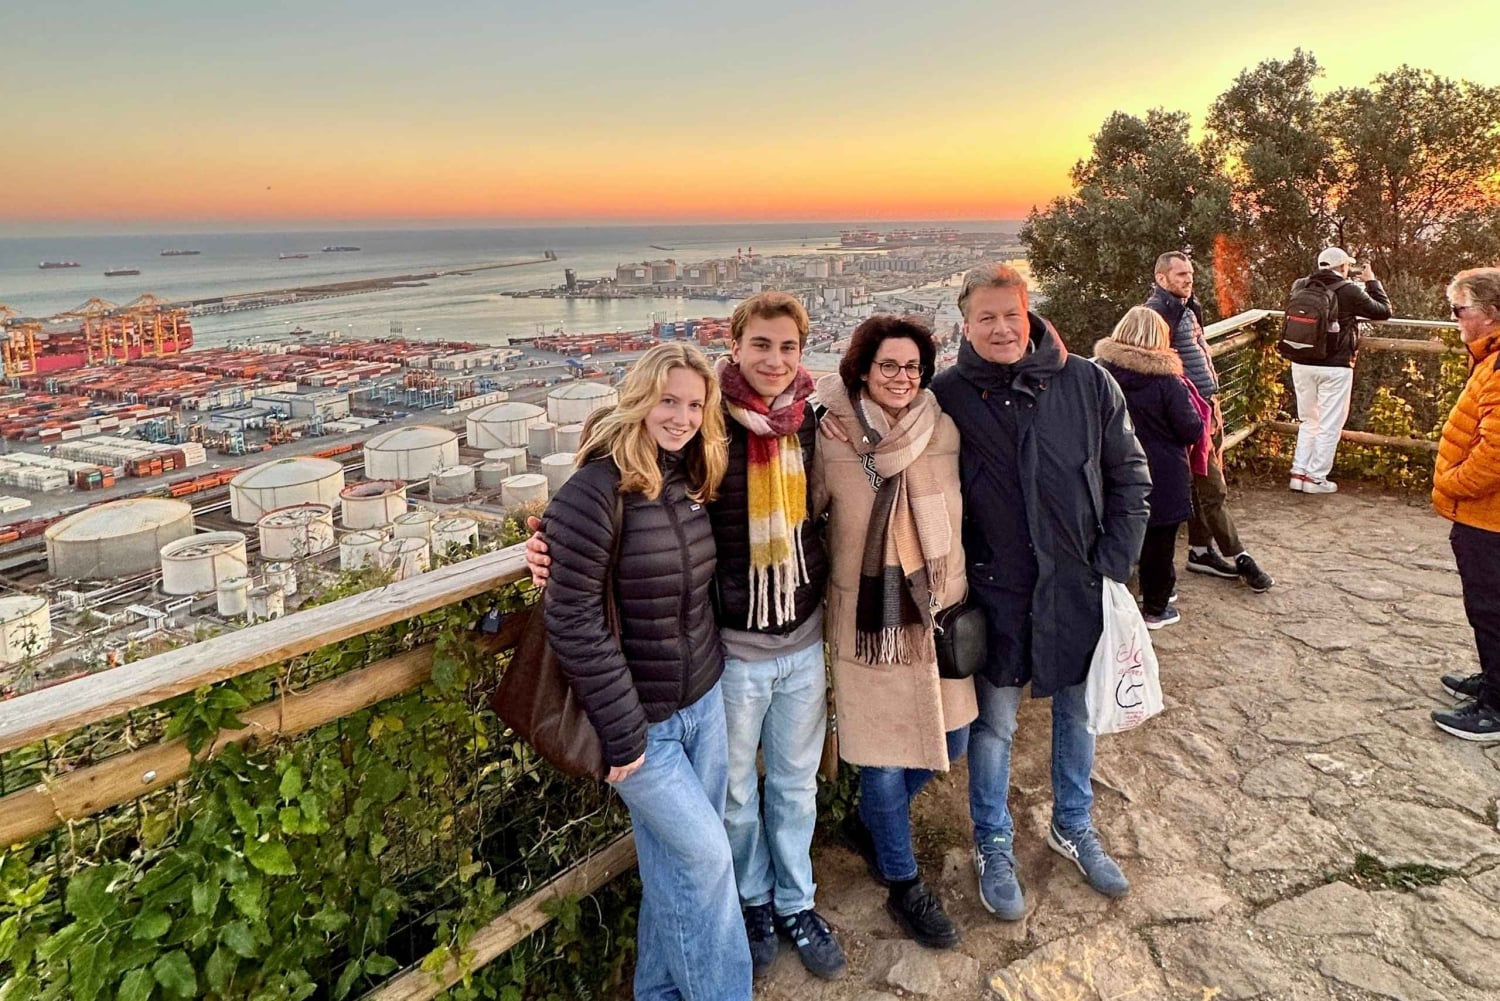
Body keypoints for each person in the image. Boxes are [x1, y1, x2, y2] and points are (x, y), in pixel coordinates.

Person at [528, 293, 846, 981]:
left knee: (720, 840)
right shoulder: (658, 464)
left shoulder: (766, 441)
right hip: (670, 703)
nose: (680, 416)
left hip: (726, 677)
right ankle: (745, 926)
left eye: (788, 347)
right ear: (735, 346)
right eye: (761, 344)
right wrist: (541, 546)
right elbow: (576, 597)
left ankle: (767, 921)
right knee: (707, 851)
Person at [828, 264, 1151, 919]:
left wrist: (1111, 563)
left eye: (1012, 314)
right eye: (986, 317)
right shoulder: (948, 394)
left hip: (1076, 586)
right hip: (998, 597)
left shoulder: (1088, 382)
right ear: (965, 325)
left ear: (1029, 314)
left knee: (1076, 715)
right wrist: (834, 418)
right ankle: (993, 841)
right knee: (994, 726)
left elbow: (1131, 477)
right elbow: (890, 426)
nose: (1001, 328)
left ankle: (1073, 822)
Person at [540, 342, 751, 1000]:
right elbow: (571, 615)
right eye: (668, 400)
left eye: (694, 403)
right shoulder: (597, 488)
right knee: (709, 859)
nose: (682, 415)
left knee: (674, 864)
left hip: (702, 704)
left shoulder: (691, 477)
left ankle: (657, 991)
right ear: (639, 399)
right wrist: (624, 730)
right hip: (643, 726)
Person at [812, 315, 978, 949]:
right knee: (884, 760)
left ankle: (867, 823)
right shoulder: (829, 433)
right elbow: (800, 511)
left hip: (938, 612)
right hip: (870, 623)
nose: (902, 378)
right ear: (862, 369)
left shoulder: (944, 429)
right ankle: (904, 881)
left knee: (955, 738)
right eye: (889, 366)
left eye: (912, 367)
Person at [1145, 251, 1275, 592]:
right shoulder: (1157, 314)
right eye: (1180, 275)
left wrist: (1211, 402)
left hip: (1207, 407)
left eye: (1190, 273)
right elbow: (1156, 367)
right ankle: (1241, 556)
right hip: (1187, 413)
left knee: (1203, 485)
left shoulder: (1190, 307)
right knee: (1212, 488)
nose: (1188, 279)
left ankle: (1200, 551)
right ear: (1161, 279)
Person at [1093, 306, 1206, 629]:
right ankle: (1156, 606)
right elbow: (1190, 429)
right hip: (1163, 473)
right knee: (1160, 543)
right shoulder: (1167, 382)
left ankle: (1117, 597)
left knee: (1118, 533)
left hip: (1111, 470)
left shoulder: (1098, 374)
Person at [1431, 266, 1500, 742]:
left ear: (1491, 314)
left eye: (1461, 309)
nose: (1455, 317)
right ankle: (1494, 681)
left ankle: (1495, 707)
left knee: (1491, 607)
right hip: (1484, 513)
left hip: (1488, 515)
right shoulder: (1489, 358)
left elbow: (1495, 452)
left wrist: (1453, 483)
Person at [1285, 247, 1393, 494]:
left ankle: (1299, 473)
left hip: (1301, 362)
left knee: (1309, 420)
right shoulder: (1349, 290)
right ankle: (1316, 478)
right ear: (1343, 267)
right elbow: (1383, 311)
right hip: (1335, 366)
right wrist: (1371, 281)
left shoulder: (1300, 285)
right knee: (1329, 423)